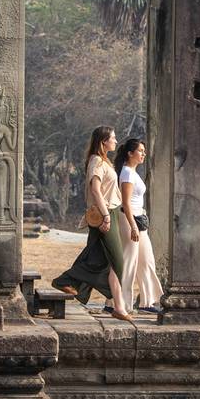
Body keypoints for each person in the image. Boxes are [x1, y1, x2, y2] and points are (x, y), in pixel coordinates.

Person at [51, 126, 132, 321]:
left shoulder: (105, 161)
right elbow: (95, 191)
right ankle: (67, 281)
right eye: (112, 138)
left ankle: (118, 307)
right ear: (103, 141)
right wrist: (105, 216)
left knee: (97, 257)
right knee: (118, 263)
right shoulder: (96, 161)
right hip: (104, 214)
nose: (115, 140)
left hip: (110, 212)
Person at [115, 138, 163, 314]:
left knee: (147, 259)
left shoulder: (132, 172)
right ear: (130, 153)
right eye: (140, 151)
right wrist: (133, 226)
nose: (143, 154)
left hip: (138, 218)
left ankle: (147, 301)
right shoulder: (126, 173)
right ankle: (118, 302)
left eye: (144, 151)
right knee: (129, 262)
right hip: (130, 219)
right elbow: (125, 203)